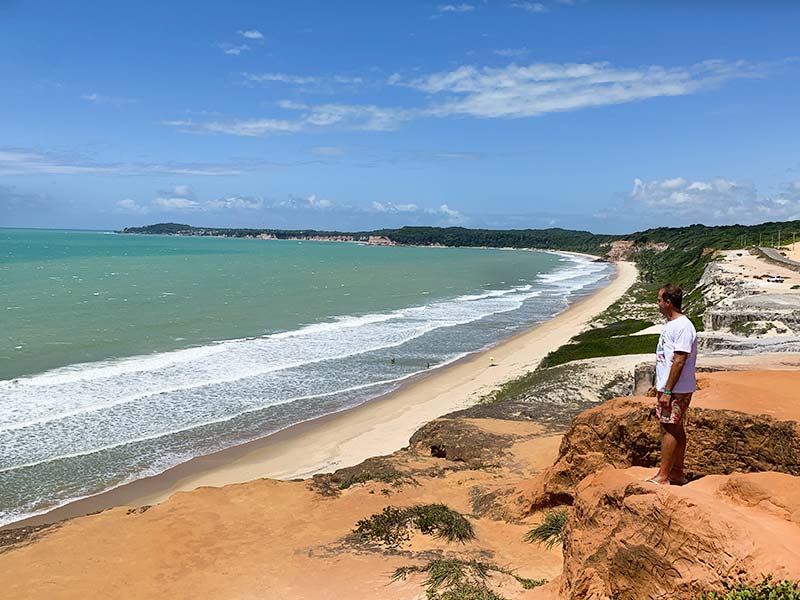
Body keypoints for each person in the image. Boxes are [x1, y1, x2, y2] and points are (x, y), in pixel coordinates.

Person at [647, 283, 697, 486]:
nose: (657, 304)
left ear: (668, 302)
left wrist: (667, 390)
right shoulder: (672, 324)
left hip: (676, 389)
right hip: (671, 387)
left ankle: (663, 476)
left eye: (659, 300)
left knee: (668, 428)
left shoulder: (683, 326)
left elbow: (679, 360)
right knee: (675, 428)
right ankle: (676, 472)